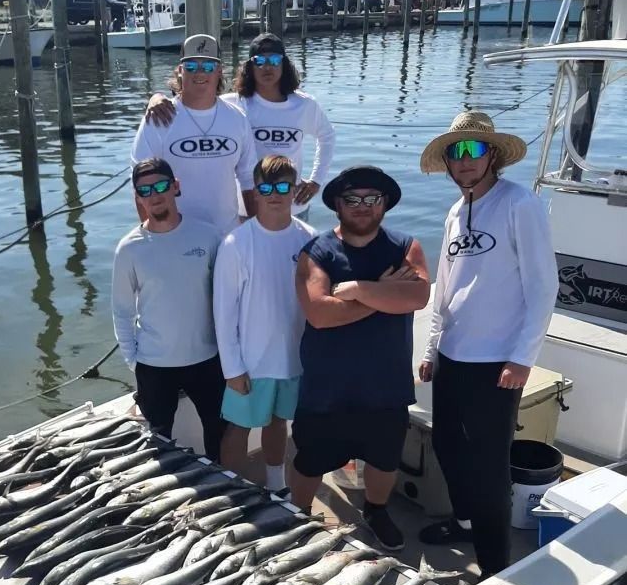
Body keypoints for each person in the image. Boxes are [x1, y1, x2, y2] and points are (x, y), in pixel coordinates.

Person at [417, 111, 558, 577]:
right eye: (455, 153)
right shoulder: (456, 211)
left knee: (489, 465)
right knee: (447, 448)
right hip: (454, 356)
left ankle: (496, 566)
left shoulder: (521, 204)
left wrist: (522, 359)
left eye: (474, 150)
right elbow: (445, 288)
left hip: (498, 361)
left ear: (492, 155)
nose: (464, 161)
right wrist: (431, 348)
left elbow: (543, 287)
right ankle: (464, 523)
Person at [291, 165, 430, 550]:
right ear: (337, 204)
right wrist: (383, 294)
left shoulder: (406, 247)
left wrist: (356, 290)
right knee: (310, 459)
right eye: (353, 199)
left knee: (385, 461)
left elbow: (417, 297)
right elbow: (319, 313)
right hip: (326, 384)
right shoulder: (316, 250)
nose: (363, 206)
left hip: (386, 384)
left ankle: (376, 509)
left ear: (385, 204)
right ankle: (298, 511)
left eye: (373, 199)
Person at [144, 33, 335, 216]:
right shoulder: (235, 104)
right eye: (259, 61)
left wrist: (316, 181)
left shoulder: (305, 105)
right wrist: (156, 98)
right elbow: (198, 98)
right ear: (249, 67)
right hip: (245, 210)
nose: (267, 67)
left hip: (293, 208)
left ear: (284, 64)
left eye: (275, 60)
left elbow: (327, 137)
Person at [111, 157, 225, 461]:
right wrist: (133, 361)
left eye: (161, 185)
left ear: (176, 187)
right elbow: (121, 310)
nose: (155, 194)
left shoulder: (208, 235)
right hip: (153, 365)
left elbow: (227, 298)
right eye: (145, 190)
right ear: (137, 198)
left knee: (220, 433)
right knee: (160, 442)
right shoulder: (129, 248)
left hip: (207, 359)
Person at [213, 155, 315, 493]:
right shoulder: (236, 243)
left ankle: (276, 485)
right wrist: (232, 368)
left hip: (294, 359)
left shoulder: (310, 239)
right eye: (266, 187)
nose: (275, 194)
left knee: (278, 422)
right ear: (254, 191)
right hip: (251, 362)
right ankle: (230, 495)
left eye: (283, 186)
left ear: (295, 189)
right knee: (238, 428)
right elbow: (224, 314)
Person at [131, 34, 257, 233]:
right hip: (178, 240)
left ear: (219, 71)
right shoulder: (157, 119)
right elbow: (140, 184)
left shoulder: (238, 119)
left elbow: (248, 179)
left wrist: (255, 233)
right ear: (180, 71)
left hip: (228, 238)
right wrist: (155, 240)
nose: (200, 73)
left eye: (208, 66)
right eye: (191, 67)